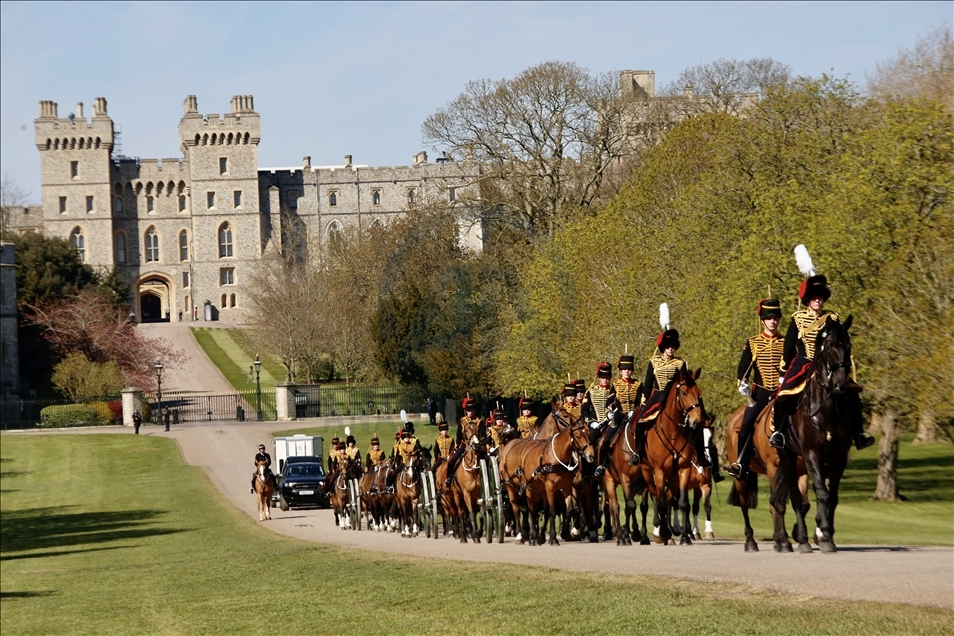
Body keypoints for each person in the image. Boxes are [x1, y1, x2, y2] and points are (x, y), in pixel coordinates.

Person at [771, 274, 875, 450]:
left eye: (820, 297)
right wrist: (783, 372)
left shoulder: (832, 318)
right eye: (815, 297)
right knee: (783, 394)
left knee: (853, 393)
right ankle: (779, 433)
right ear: (808, 300)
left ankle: (858, 433)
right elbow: (788, 347)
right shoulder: (798, 319)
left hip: (828, 364)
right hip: (804, 362)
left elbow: (839, 342)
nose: (818, 300)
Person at [727, 299, 784, 479]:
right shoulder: (753, 343)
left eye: (775, 317)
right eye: (769, 318)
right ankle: (741, 464)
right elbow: (743, 368)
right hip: (761, 394)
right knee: (745, 425)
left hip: (783, 394)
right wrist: (741, 384)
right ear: (762, 321)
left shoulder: (785, 342)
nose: (772, 321)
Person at [585, 362, 618, 480]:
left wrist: (613, 415)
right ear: (599, 378)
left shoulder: (615, 390)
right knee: (588, 444)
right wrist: (591, 422)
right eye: (603, 377)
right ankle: (586, 473)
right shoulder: (591, 391)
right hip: (596, 424)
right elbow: (585, 410)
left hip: (610, 423)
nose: (605, 380)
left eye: (608, 377)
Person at [445, 397, 483, 487]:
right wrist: (457, 445)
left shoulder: (479, 421)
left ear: (475, 410)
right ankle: (449, 478)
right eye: (469, 411)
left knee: (486, 458)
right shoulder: (462, 421)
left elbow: (482, 432)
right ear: (466, 411)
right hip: (465, 445)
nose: (470, 413)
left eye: (472, 411)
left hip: (477, 445)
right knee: (452, 461)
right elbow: (458, 434)